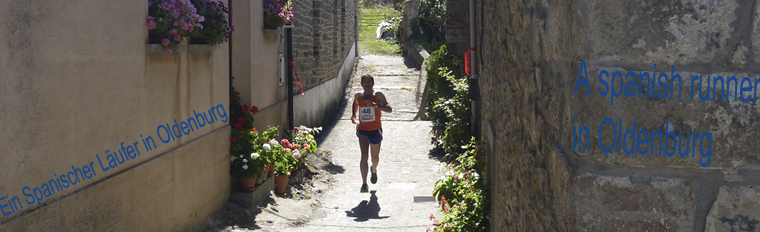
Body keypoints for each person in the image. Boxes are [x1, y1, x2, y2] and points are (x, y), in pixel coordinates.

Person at [352, 74, 392, 193]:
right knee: (364, 155)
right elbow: (355, 103)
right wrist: (353, 114)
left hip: (375, 130)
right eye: (365, 82)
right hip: (363, 130)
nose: (367, 84)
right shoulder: (358, 96)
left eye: (369, 82)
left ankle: (373, 170)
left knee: (375, 157)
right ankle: (364, 184)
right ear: (362, 84)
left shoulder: (378, 95)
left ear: (373, 84)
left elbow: (389, 109)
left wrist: (376, 106)